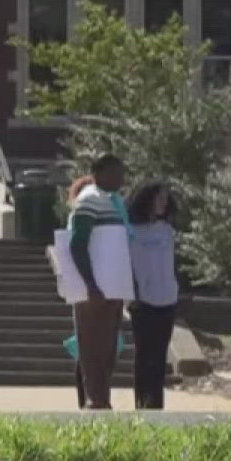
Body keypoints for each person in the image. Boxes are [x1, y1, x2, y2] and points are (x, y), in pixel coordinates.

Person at [66, 155, 130, 410]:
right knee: (92, 345)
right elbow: (78, 243)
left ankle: (103, 398)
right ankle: (95, 399)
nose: (121, 179)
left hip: (113, 286)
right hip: (94, 289)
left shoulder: (113, 202)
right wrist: (90, 284)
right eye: (116, 173)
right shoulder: (89, 199)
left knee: (108, 347)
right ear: (98, 173)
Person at [126, 181, 178, 410]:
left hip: (167, 299)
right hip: (143, 300)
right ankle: (142, 403)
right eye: (159, 198)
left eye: (166, 199)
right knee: (144, 355)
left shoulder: (167, 230)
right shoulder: (132, 231)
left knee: (159, 356)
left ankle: (156, 404)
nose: (163, 203)